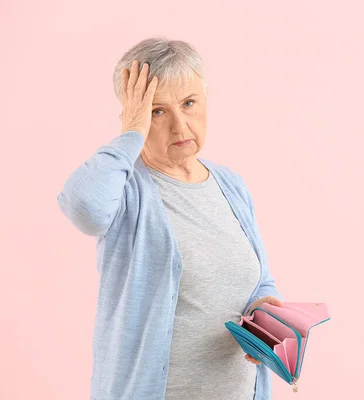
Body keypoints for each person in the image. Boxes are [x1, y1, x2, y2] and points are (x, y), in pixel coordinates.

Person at [57, 36, 283, 400]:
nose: (180, 126)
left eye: (189, 103)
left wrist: (263, 309)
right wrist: (131, 132)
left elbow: (260, 281)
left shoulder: (231, 185)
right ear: (135, 115)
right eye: (158, 111)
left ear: (206, 97)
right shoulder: (128, 188)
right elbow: (85, 208)